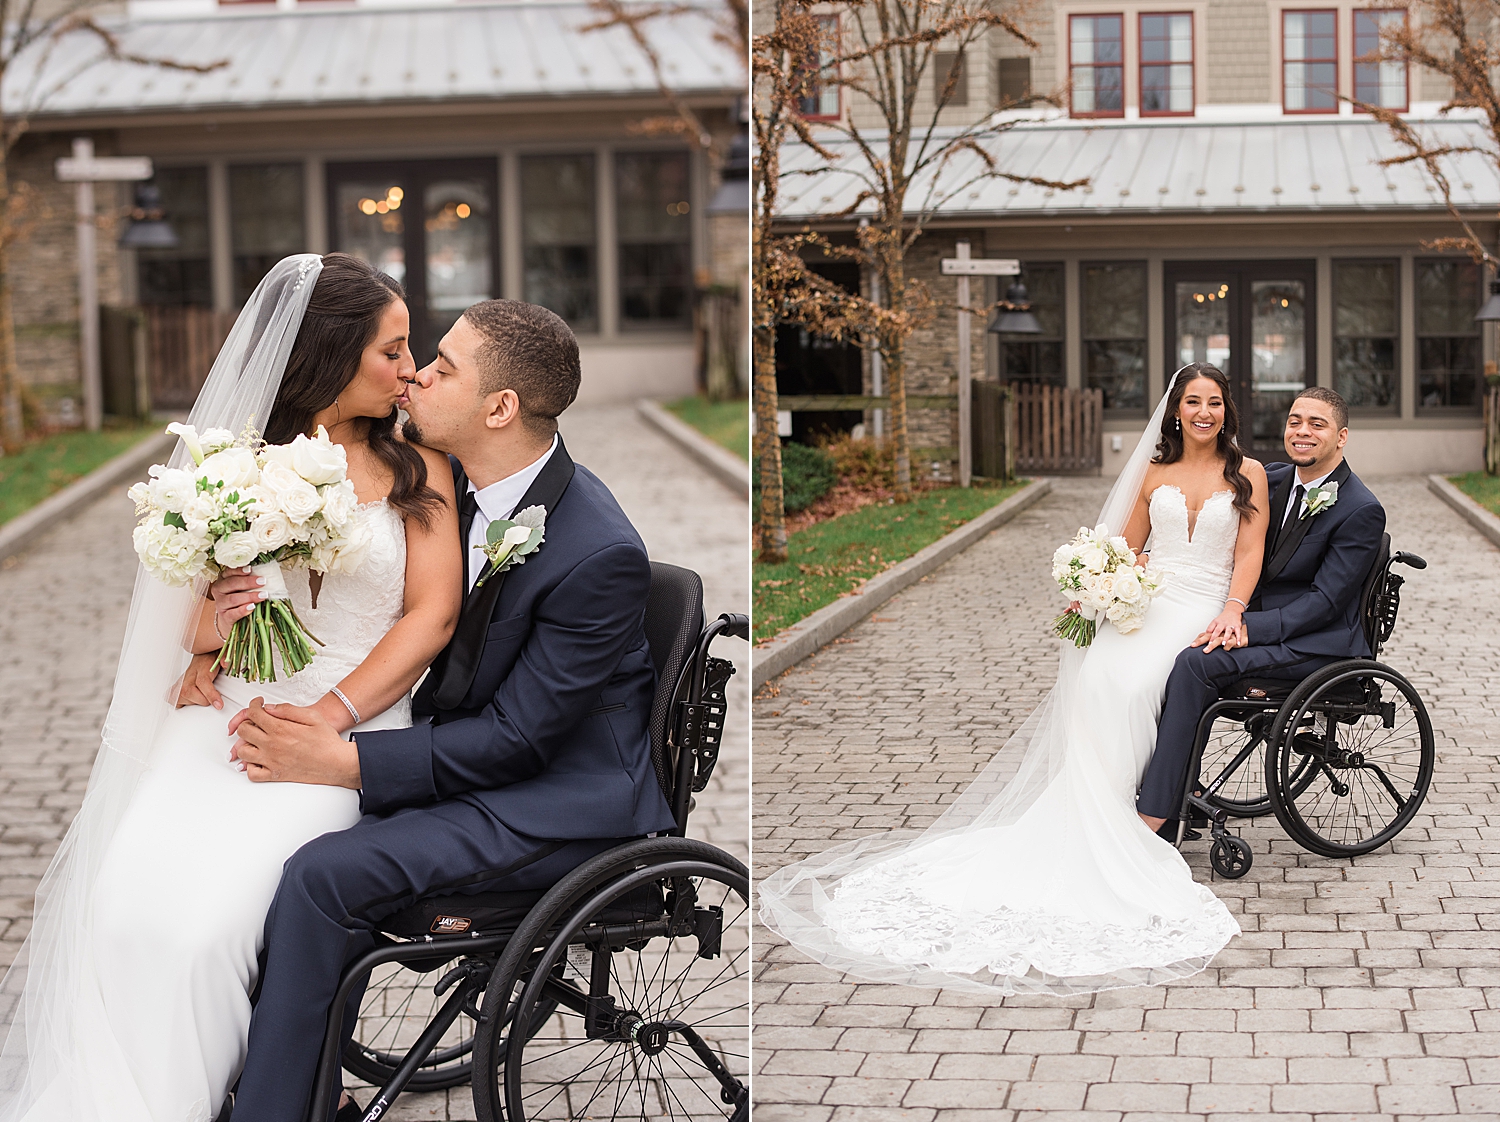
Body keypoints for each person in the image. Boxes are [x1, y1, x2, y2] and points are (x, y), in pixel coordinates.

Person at [0, 253, 465, 1122]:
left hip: (344, 727)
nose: (410, 368)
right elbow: (193, 629)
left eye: (413, 350)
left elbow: (430, 620)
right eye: (392, 350)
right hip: (232, 710)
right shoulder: (239, 467)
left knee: (206, 927)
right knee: (123, 903)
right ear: (332, 355)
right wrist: (219, 616)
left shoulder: (419, 469)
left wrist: (328, 725)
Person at [205, 297, 675, 1122]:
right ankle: (308, 1089)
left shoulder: (597, 552)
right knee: (293, 837)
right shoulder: (463, 483)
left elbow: (521, 739)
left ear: (499, 409)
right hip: (479, 763)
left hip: (558, 803)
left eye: (444, 367)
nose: (418, 372)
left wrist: (344, 760)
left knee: (322, 874)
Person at [758, 362, 1257, 995]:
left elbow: (1248, 552)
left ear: (1226, 410)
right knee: (1100, 675)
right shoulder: (1155, 473)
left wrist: (1234, 610)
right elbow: (1130, 545)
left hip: (1202, 605)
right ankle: (1095, 814)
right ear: (1176, 410)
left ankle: (1142, 820)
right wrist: (1100, 586)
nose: (1204, 413)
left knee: (1134, 688)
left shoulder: (1248, 475)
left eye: (1214, 402)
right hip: (1152, 598)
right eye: (1193, 402)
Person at [1137, 385, 1386, 831]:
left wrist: (1249, 628)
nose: (1302, 432)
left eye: (1317, 424)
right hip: (1256, 618)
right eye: (1295, 421)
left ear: (1342, 437)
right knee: (1162, 652)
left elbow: (1326, 604)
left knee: (1195, 664)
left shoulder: (1360, 509)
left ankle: (1154, 814)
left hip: (1317, 643)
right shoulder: (1267, 479)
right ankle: (1171, 792)